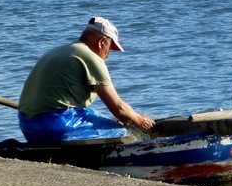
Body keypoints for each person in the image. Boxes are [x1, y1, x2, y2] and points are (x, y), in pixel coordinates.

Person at [17, 17, 155, 145]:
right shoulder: (90, 57)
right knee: (122, 132)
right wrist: (141, 121)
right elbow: (118, 108)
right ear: (101, 42)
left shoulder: (58, 51)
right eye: (110, 49)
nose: (107, 55)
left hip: (28, 127)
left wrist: (127, 118)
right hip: (55, 128)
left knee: (96, 116)